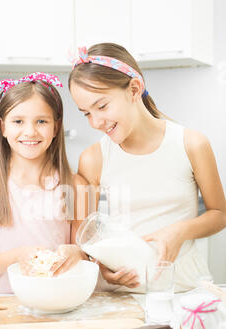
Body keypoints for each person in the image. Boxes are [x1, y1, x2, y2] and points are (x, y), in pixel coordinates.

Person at [69, 44, 226, 293]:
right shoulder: (93, 158)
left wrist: (179, 231)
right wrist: (101, 268)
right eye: (86, 113)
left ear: (134, 89)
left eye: (102, 106)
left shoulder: (191, 144)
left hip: (185, 289)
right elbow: (83, 238)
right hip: (125, 293)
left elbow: (219, 214)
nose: (96, 122)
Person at [0, 73, 88, 294]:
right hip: (2, 302)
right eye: (18, 121)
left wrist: (78, 253)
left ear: (56, 127)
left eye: (42, 121)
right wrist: (19, 255)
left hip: (57, 299)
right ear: (2, 126)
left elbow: (83, 256)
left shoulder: (75, 185)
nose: (30, 132)